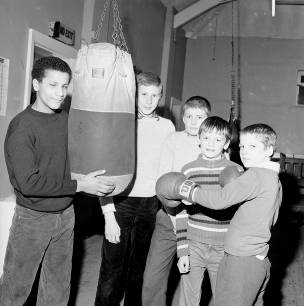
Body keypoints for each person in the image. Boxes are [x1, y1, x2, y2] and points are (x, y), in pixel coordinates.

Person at [0, 56, 116, 306]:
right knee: (15, 290)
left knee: (58, 290)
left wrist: (86, 177)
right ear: (35, 85)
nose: (60, 93)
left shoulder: (66, 120)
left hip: (65, 215)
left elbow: (66, 166)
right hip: (32, 218)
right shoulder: (22, 127)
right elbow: (29, 184)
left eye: (64, 86)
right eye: (52, 85)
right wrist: (80, 186)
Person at [156, 123, 282, 306]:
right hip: (258, 258)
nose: (245, 151)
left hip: (241, 258)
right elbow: (274, 217)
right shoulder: (273, 179)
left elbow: (219, 201)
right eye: (242, 146)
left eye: (252, 147)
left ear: (269, 149)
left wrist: (189, 191)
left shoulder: (254, 176)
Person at [94, 71, 175, 306]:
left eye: (154, 95)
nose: (149, 101)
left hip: (151, 203)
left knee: (141, 267)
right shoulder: (120, 122)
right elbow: (104, 172)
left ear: (160, 96)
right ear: (134, 94)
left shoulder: (167, 126)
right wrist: (108, 215)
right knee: (112, 268)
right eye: (144, 95)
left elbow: (168, 169)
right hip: (119, 201)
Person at [142, 96, 211, 306]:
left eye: (199, 117)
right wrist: (170, 213)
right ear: (183, 117)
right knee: (152, 279)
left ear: (207, 119)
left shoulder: (211, 144)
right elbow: (163, 180)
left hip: (197, 220)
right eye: (189, 116)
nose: (193, 121)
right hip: (168, 215)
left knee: (190, 281)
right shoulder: (173, 140)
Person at [175, 116, 243, 306]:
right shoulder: (187, 171)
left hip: (224, 248)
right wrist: (182, 251)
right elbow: (180, 212)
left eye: (218, 139)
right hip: (194, 244)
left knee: (223, 299)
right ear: (199, 139)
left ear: (227, 143)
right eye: (206, 138)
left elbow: (242, 214)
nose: (211, 144)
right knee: (188, 300)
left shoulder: (236, 170)